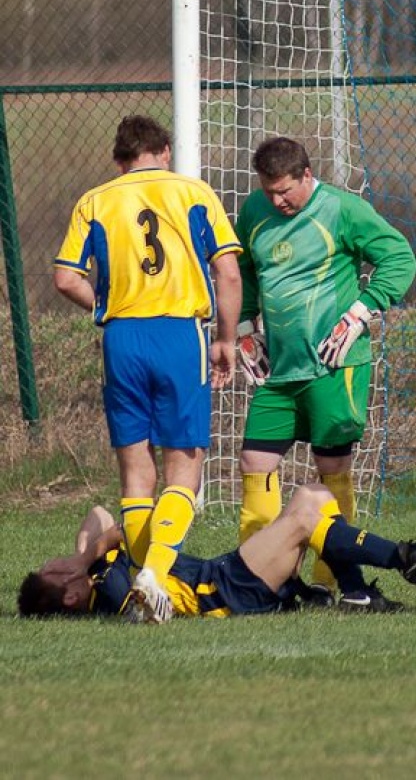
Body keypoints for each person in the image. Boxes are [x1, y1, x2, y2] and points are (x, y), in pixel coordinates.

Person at [53, 114, 243, 624]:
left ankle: (143, 589)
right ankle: (154, 577)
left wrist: (105, 305)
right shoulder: (193, 192)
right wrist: (226, 338)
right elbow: (227, 270)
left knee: (137, 470)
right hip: (180, 335)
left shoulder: (96, 200)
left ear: (119, 160)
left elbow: (65, 278)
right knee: (187, 462)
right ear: (164, 149)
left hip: (123, 337)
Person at [234, 136, 416, 611]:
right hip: (279, 373)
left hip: (333, 367)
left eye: (285, 192)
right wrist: (244, 325)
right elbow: (246, 271)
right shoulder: (254, 211)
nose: (277, 201)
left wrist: (360, 313)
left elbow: (400, 257)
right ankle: (260, 577)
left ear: (307, 175)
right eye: (269, 192)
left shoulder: (342, 209)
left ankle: (332, 583)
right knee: (255, 462)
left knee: (329, 471)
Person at [17, 488, 416, 620]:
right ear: (70, 597)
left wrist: (78, 558)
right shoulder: (112, 591)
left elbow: (97, 515)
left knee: (313, 497)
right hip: (229, 591)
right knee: (303, 519)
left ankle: (357, 593)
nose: (54, 564)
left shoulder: (89, 572)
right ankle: (401, 557)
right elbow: (113, 530)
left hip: (226, 573)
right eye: (53, 574)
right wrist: (90, 559)